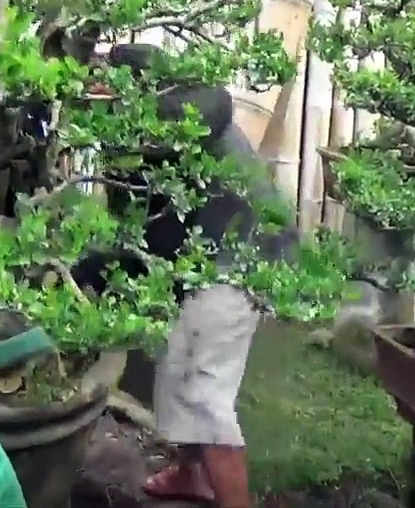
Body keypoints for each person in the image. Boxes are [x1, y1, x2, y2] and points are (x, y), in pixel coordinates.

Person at [78, 45, 297, 508]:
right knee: (175, 371)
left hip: (239, 264)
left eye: (107, 87)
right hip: (198, 261)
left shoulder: (179, 124)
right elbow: (140, 226)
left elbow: (145, 230)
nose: (97, 95)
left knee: (205, 396)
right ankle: (189, 474)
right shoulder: (158, 128)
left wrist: (94, 269)